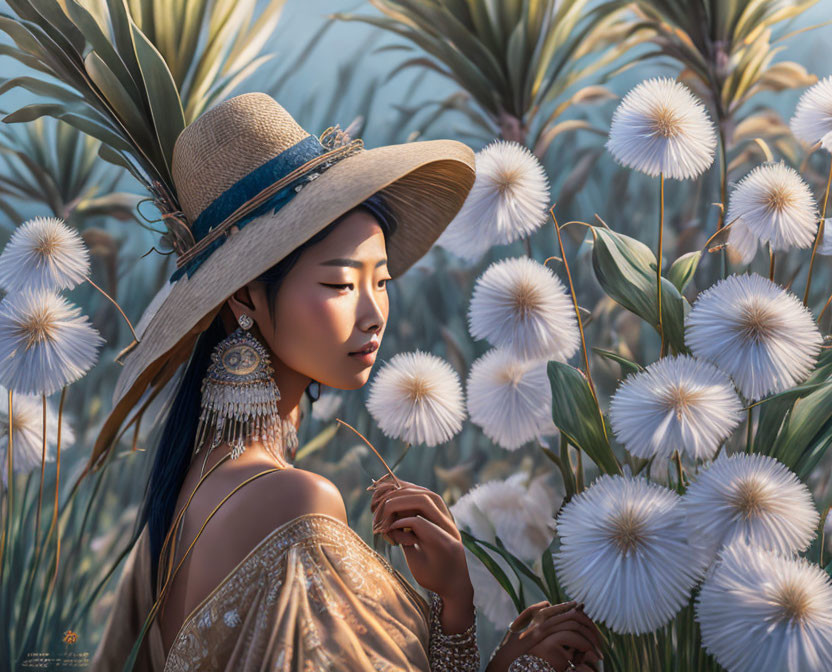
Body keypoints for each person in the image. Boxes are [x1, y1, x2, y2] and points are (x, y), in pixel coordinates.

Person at [87, 92, 602, 671]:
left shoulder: (181, 502)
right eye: (339, 285)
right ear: (245, 296)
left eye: (379, 281)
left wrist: (454, 610)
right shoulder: (294, 504)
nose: (374, 312)